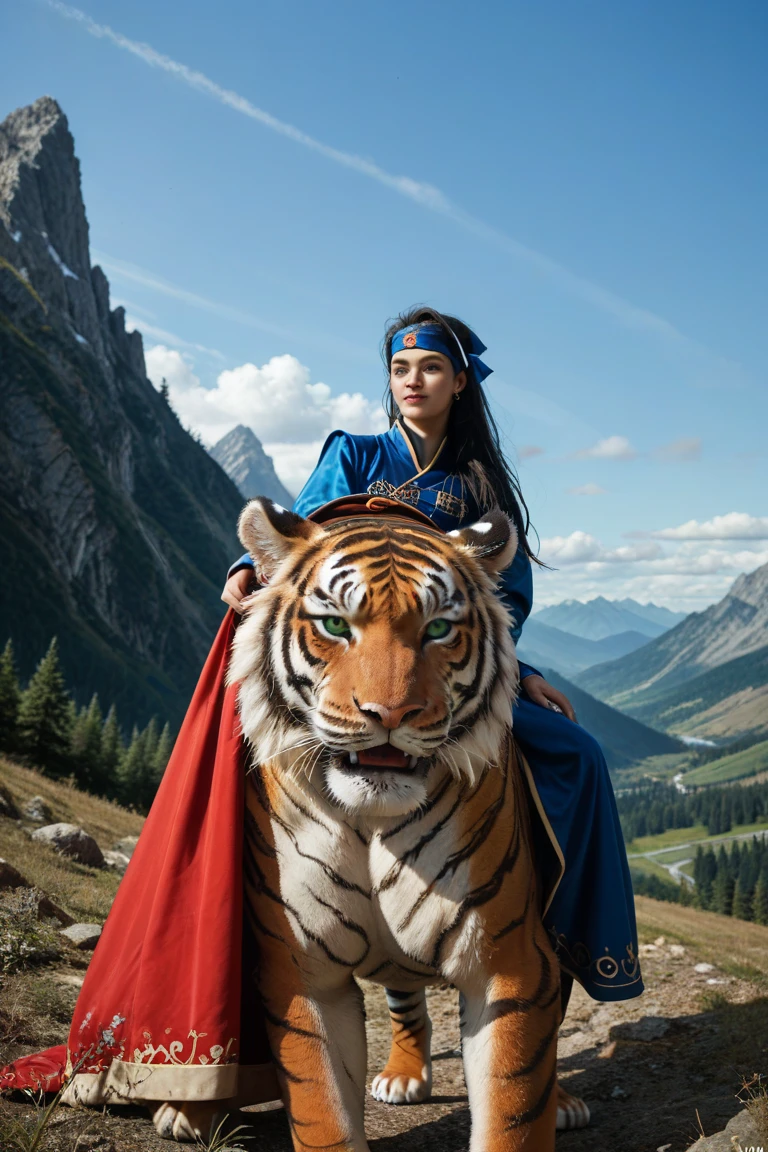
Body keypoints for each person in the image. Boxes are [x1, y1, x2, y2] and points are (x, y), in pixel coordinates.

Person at [222, 305, 644, 1129]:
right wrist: (249, 565)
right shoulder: (354, 453)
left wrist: (517, 670)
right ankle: (212, 986)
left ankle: (573, 940)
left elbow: (505, 597)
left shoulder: (480, 484)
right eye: (400, 370)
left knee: (579, 758)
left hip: (449, 683)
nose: (413, 383)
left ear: (459, 383)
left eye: (429, 369)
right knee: (212, 750)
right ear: (390, 383)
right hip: (334, 674)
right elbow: (304, 525)